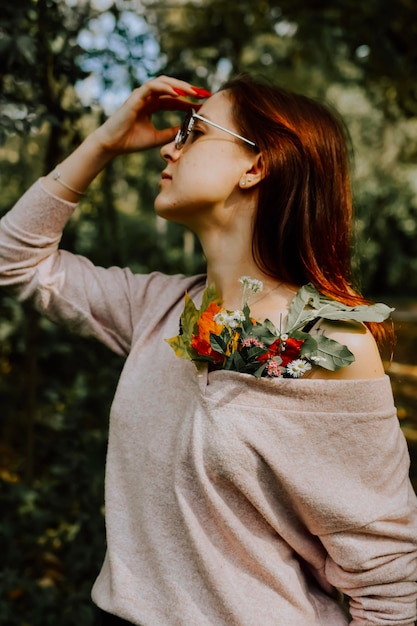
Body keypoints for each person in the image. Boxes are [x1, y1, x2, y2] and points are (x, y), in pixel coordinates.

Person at [0, 74, 416, 625]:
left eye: (195, 131)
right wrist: (103, 141)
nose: (171, 146)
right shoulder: (156, 309)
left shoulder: (328, 344)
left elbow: (388, 578)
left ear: (255, 164)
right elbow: (14, 260)